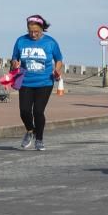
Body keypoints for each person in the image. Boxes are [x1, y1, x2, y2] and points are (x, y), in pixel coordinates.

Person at [12, 15, 64, 151]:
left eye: (36, 31)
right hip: (25, 81)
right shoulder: (21, 41)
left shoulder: (50, 42)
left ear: (42, 29)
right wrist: (15, 64)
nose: (33, 34)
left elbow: (59, 59)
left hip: (45, 82)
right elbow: (14, 59)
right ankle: (30, 130)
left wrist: (57, 70)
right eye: (30, 31)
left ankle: (39, 139)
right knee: (24, 111)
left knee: (38, 111)